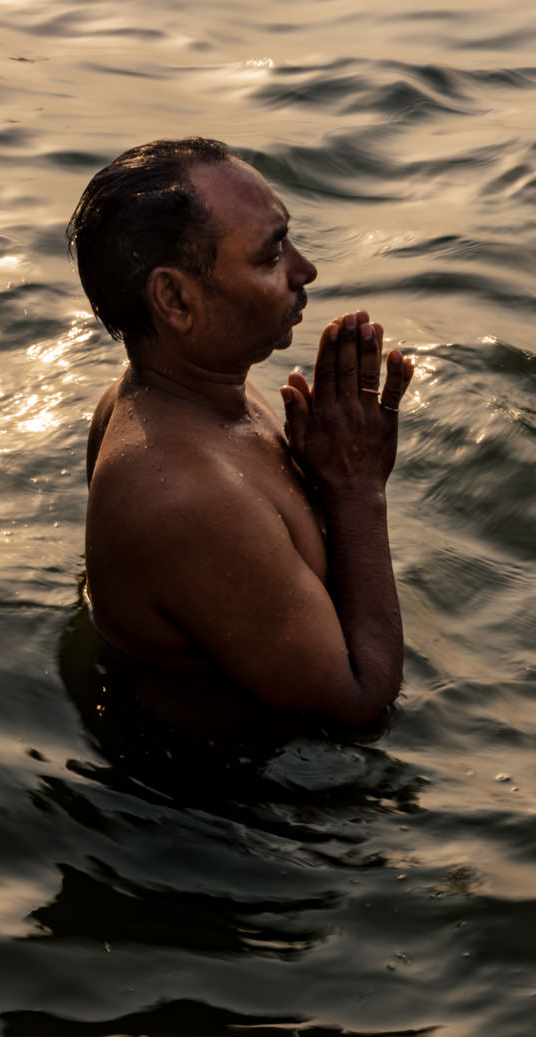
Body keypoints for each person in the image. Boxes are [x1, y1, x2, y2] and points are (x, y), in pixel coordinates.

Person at [67, 138, 415, 747]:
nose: (305, 271)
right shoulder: (188, 496)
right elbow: (357, 704)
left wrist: (321, 478)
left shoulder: (167, 399)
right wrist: (358, 490)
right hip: (234, 809)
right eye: (270, 254)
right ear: (176, 300)